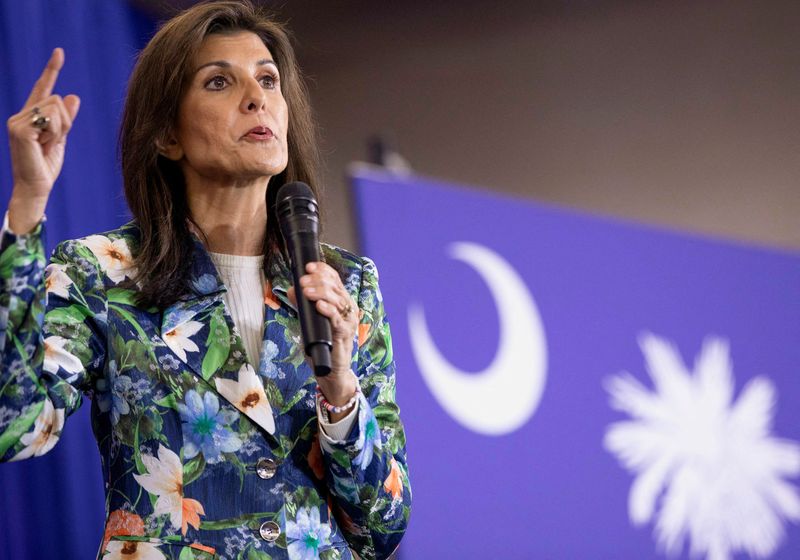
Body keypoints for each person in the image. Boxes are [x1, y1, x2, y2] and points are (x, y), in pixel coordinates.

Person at [0, 1, 411, 559]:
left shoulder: (346, 283)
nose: (256, 96)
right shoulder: (102, 271)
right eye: (219, 81)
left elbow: (381, 529)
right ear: (168, 134)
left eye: (268, 79)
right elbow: (15, 425)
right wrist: (27, 202)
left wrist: (340, 389)